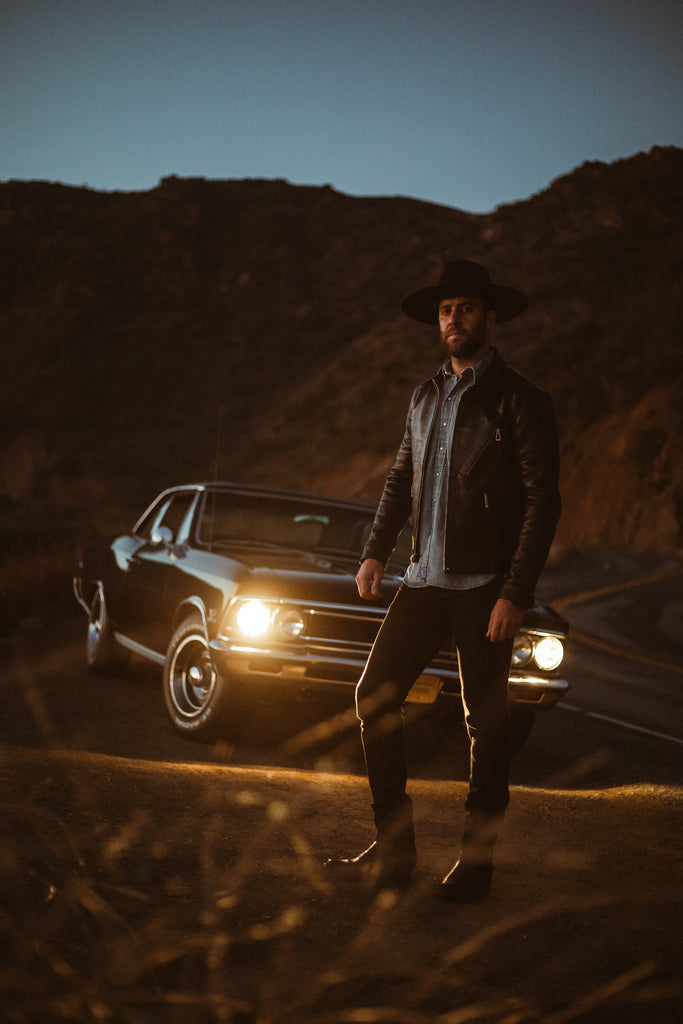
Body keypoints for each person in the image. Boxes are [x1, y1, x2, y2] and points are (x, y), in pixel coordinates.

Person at [326, 259, 561, 902]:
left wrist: (516, 591)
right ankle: (395, 847)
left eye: (465, 307)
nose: (453, 319)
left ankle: (476, 865)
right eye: (445, 310)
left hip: (485, 587)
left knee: (485, 725)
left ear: (491, 316)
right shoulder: (425, 395)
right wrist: (376, 551)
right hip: (423, 580)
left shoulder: (520, 400)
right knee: (374, 696)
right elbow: (402, 478)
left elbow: (543, 502)